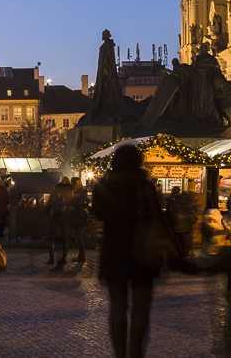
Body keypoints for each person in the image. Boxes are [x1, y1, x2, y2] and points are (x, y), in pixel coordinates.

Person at [91, 145, 162, 358]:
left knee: (118, 307)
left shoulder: (104, 185)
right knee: (141, 308)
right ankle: (136, 352)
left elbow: (97, 212)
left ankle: (120, 353)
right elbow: (157, 217)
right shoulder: (145, 186)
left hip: (114, 252)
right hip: (142, 252)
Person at [164, 184, 198, 259]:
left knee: (176, 239)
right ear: (179, 191)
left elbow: (169, 211)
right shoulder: (185, 199)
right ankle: (184, 254)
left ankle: (177, 254)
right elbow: (190, 209)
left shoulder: (170, 200)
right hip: (185, 221)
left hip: (175, 221)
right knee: (184, 238)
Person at [68, 178, 89, 263]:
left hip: (77, 215)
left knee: (78, 236)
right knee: (79, 236)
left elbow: (74, 204)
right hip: (81, 214)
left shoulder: (76, 193)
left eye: (72, 182)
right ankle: (81, 256)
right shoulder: (83, 192)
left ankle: (81, 256)